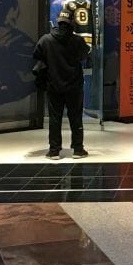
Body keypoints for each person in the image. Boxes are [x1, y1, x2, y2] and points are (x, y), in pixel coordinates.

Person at [33, 10, 91, 159]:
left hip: (54, 85)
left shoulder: (46, 40)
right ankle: (78, 149)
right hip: (74, 85)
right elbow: (85, 55)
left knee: (54, 118)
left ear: (58, 22)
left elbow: (37, 56)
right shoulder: (77, 41)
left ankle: (54, 150)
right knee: (76, 117)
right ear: (71, 22)